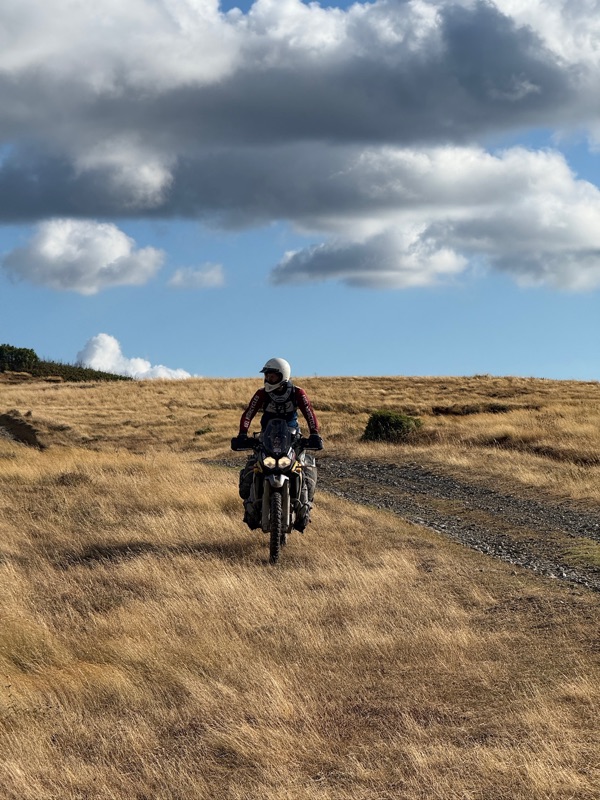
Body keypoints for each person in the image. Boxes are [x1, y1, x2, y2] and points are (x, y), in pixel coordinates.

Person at [232, 357, 322, 530]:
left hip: (292, 438)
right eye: (267, 376)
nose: (268, 379)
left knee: (304, 468)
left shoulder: (297, 393)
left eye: (272, 376)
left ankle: (304, 509)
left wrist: (314, 434)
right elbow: (248, 413)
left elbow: (309, 413)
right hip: (267, 437)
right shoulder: (261, 393)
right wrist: (243, 434)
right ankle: (251, 507)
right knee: (253, 467)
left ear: (283, 376)